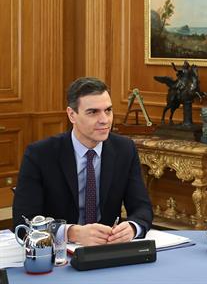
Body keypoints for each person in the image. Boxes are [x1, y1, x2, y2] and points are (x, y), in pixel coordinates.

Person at [13, 77, 153, 246]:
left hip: (107, 249)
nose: (105, 120)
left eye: (108, 110)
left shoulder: (125, 149)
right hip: (59, 252)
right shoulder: (40, 154)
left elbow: (142, 208)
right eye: (93, 112)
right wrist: (71, 233)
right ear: (72, 115)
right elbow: (24, 221)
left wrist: (132, 227)